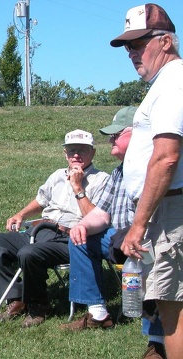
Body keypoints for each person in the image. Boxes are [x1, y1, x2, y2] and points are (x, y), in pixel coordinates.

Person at [110, 4, 183, 358]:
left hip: (172, 211)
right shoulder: (165, 84)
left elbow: (166, 156)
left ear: (166, 41)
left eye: (139, 44)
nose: (132, 53)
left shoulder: (173, 82)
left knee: (175, 315)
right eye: (128, 48)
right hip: (167, 209)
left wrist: (138, 225)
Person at [0, 129, 109, 328]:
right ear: (65, 154)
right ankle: (16, 297)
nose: (76, 155)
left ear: (93, 153)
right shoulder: (57, 175)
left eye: (82, 150)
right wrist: (21, 214)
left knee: (29, 253)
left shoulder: (102, 180)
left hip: (72, 238)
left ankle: (40, 306)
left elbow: (95, 217)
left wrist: (77, 188)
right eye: (72, 150)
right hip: (42, 229)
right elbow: (41, 201)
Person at [64, 108, 167, 357]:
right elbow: (102, 214)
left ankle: (156, 340)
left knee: (149, 262)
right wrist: (83, 225)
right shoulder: (120, 171)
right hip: (118, 238)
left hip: (148, 238)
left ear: (137, 134)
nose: (110, 140)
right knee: (80, 240)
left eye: (116, 135)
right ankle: (98, 312)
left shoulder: (152, 168)